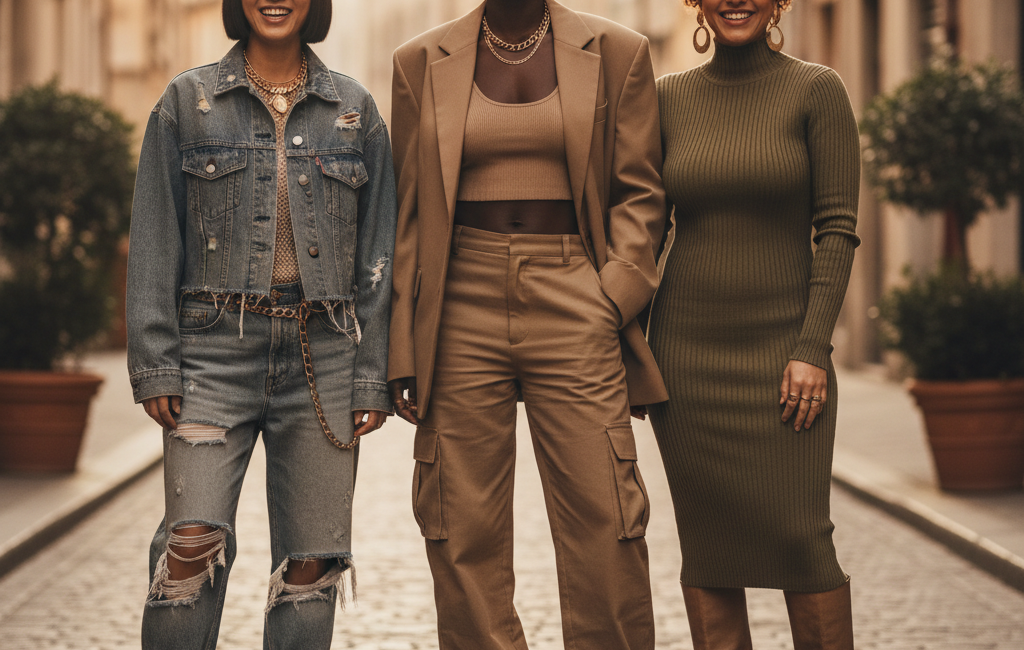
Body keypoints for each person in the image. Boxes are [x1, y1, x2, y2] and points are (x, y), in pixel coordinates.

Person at [387, 1, 667, 648]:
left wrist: (612, 297)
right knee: (460, 524)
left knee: (607, 513)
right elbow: (409, 214)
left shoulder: (620, 50)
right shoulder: (420, 62)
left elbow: (641, 193)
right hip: (458, 302)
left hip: (576, 292)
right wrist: (404, 342)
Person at [126, 0, 396, 647]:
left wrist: (370, 375)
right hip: (213, 351)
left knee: (312, 564)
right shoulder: (185, 102)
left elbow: (379, 256)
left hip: (324, 355)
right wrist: (156, 357)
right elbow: (156, 234)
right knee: (190, 549)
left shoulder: (354, 111)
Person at [647, 0, 860, 648]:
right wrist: (629, 349)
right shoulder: (664, 100)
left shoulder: (817, 91)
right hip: (685, 365)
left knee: (805, 546)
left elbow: (839, 230)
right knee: (708, 556)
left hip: (786, 359)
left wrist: (811, 348)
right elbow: (642, 233)